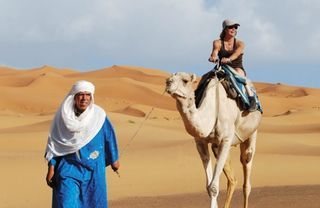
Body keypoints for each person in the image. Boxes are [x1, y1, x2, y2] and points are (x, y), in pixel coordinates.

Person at [44, 80, 120, 208]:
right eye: (80, 94)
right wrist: (51, 166)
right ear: (74, 97)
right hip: (68, 168)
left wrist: (114, 160)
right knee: (66, 203)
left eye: (88, 94)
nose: (84, 98)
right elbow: (55, 142)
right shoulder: (63, 117)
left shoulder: (99, 116)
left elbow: (109, 136)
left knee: (94, 203)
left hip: (93, 169)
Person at [208, 19, 257, 111]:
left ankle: (251, 99)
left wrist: (229, 59)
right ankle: (197, 98)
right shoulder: (217, 42)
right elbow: (214, 52)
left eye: (235, 27)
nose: (234, 29)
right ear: (225, 29)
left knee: (239, 76)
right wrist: (213, 57)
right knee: (207, 78)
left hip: (237, 67)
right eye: (231, 27)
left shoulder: (240, 43)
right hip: (222, 68)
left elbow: (237, 54)